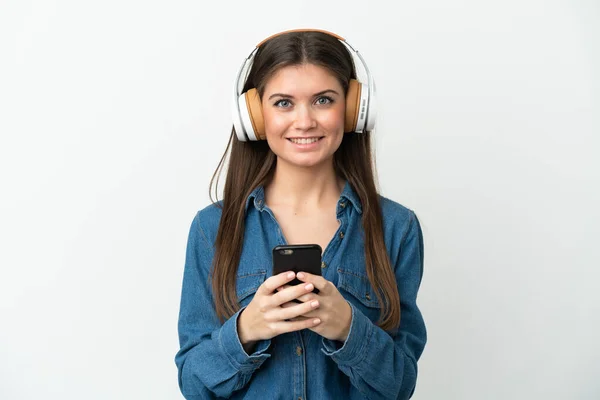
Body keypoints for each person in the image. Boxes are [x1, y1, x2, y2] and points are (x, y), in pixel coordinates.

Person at [174, 29, 427, 400]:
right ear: (255, 116)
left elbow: (400, 385)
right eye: (283, 103)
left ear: (355, 108)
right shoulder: (211, 229)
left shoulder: (396, 228)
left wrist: (348, 329)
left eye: (323, 100)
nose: (305, 121)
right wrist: (246, 330)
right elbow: (194, 386)